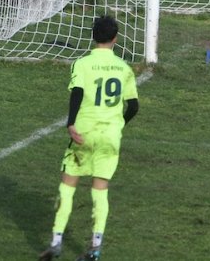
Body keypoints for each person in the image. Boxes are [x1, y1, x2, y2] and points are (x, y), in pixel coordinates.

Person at [39, 15, 140, 261]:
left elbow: (78, 93)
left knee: (68, 185)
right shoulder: (124, 68)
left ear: (93, 36)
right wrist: (118, 125)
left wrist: (71, 122)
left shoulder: (82, 64)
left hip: (83, 133)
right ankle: (94, 249)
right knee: (100, 189)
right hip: (109, 137)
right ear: (115, 38)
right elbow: (134, 106)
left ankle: (56, 242)